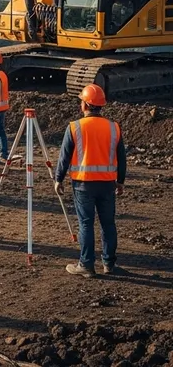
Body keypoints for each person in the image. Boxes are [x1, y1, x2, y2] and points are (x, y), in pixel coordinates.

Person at [54, 83, 126, 277]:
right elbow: (121, 157)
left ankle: (86, 265)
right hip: (107, 184)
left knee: (86, 223)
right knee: (108, 224)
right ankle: (109, 264)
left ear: (85, 105)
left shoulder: (75, 127)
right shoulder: (114, 128)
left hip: (83, 185)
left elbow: (64, 156)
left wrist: (58, 179)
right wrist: (121, 181)